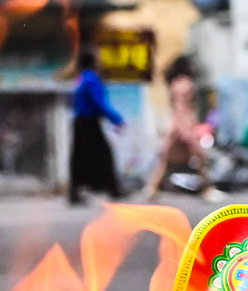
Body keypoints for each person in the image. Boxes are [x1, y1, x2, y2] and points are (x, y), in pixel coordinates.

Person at [140, 54, 222, 202]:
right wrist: (186, 131)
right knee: (200, 158)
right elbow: (182, 109)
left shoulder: (175, 83)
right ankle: (207, 189)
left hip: (175, 127)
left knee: (167, 161)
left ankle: (152, 189)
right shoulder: (185, 84)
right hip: (184, 127)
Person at [68, 48, 124, 204]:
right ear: (92, 62)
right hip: (90, 123)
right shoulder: (91, 79)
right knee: (104, 155)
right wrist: (117, 119)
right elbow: (99, 103)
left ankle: (75, 193)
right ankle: (113, 189)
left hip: (80, 122)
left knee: (79, 159)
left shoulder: (80, 78)